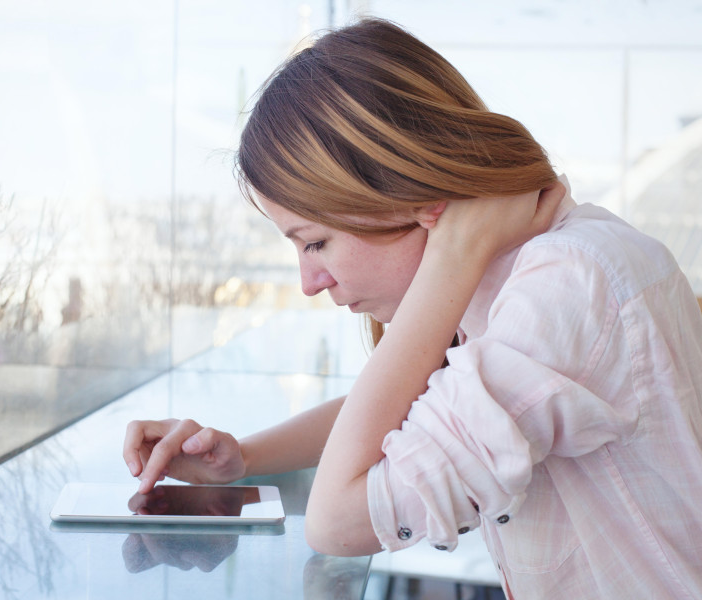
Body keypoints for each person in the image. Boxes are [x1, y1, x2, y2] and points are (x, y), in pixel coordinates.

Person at [122, 18, 702, 599]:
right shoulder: (531, 281)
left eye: (315, 241)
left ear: (410, 195)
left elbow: (336, 522)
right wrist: (244, 457)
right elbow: (414, 411)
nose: (309, 281)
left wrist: (451, 255)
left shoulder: (569, 286)